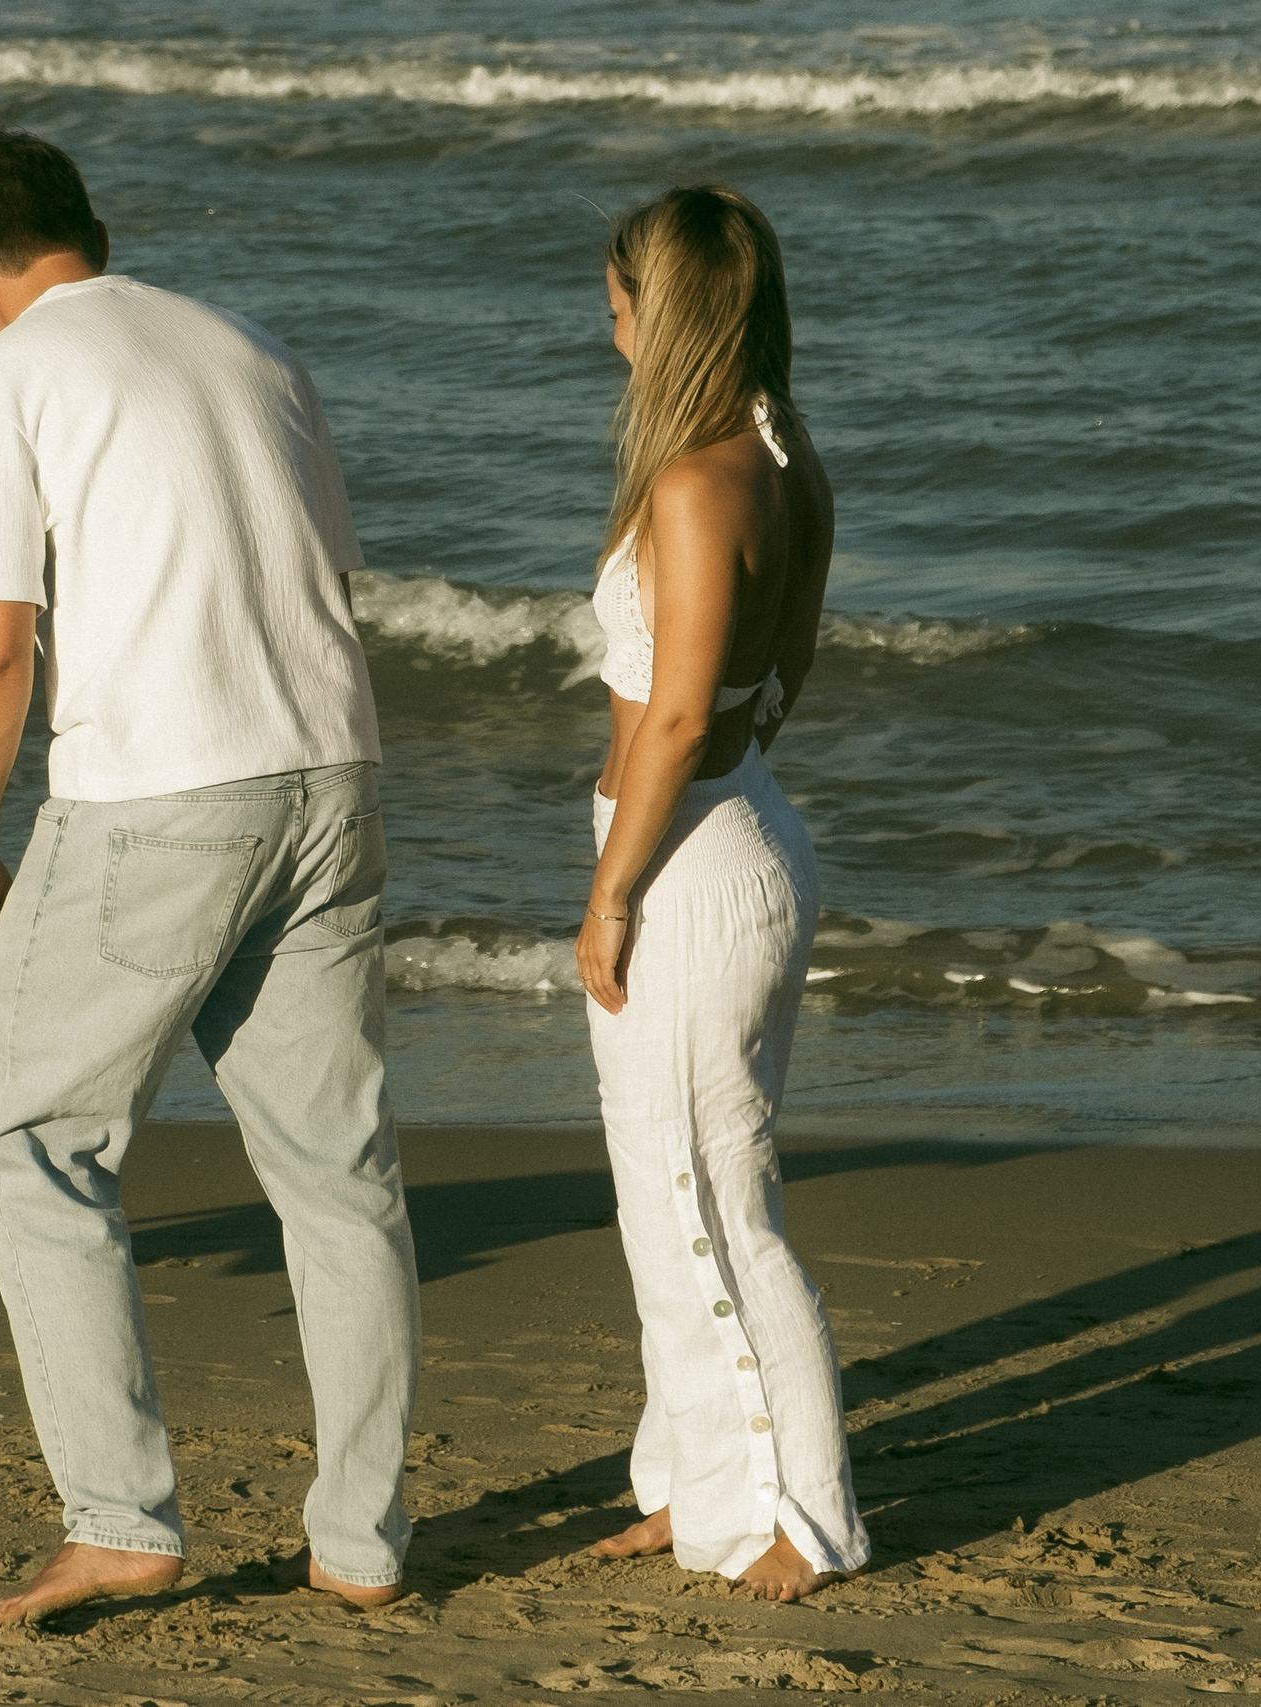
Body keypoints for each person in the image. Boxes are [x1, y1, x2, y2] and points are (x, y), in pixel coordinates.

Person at [0, 128, 420, 1624]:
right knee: (337, 1175)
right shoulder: (249, 348)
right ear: (90, 231)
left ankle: (122, 1519)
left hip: (158, 796)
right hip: (332, 773)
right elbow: (323, 576)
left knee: (31, 1147)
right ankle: (363, 1544)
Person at [574, 185, 870, 1602]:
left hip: (685, 857)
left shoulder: (697, 482)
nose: (607, 321)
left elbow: (679, 717)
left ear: (666, 311)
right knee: (668, 1194)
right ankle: (694, 1483)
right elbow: (783, 674)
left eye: (620, 298)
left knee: (707, 1204)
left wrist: (614, 890)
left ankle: (797, 1519)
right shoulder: (781, 451)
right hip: (738, 825)